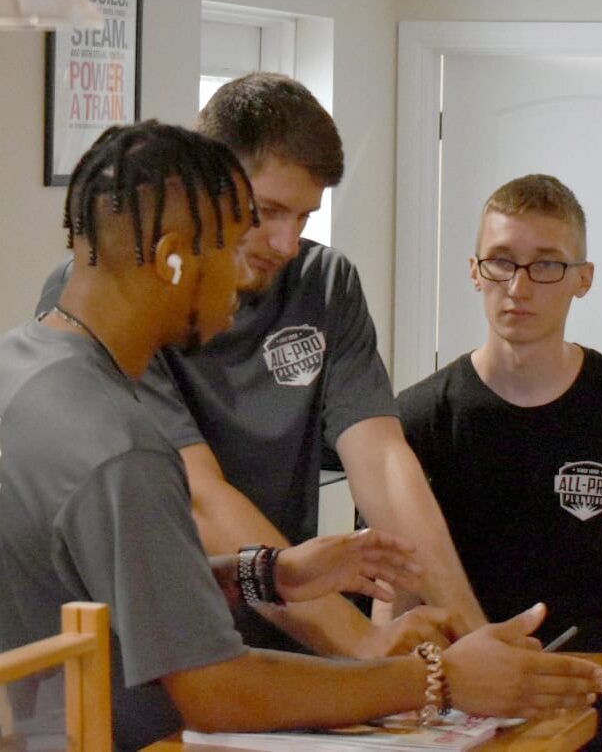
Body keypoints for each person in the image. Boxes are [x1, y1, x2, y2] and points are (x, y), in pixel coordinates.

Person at [0, 122, 602, 752]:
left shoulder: (25, 363)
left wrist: (268, 573)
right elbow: (216, 689)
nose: (252, 272)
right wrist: (440, 678)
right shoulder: (125, 449)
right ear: (172, 259)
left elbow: (112, 581)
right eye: (234, 244)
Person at [39, 73, 485, 658]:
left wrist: (471, 633)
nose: (286, 243)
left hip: (290, 635)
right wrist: (361, 644)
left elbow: (381, 461)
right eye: (268, 211)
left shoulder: (324, 283)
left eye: (303, 217)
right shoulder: (111, 300)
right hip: (155, 646)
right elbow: (197, 495)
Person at [396, 174, 602, 749]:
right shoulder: (417, 417)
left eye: (547, 264)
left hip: (590, 698)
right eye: (501, 262)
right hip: (455, 710)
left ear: (583, 278)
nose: (519, 286)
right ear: (474, 271)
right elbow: (397, 600)